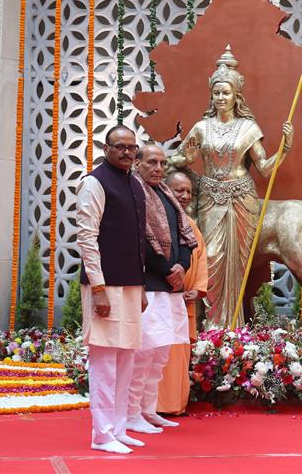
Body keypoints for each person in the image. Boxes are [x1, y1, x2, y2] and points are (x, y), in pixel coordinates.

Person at [169, 46, 293, 328]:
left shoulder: (249, 128)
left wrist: (284, 150)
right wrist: (161, 162)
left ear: (237, 95)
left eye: (226, 92)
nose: (221, 97)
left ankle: (234, 325)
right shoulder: (201, 128)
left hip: (241, 198)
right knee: (211, 257)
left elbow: (263, 168)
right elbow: (185, 157)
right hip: (210, 197)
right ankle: (211, 325)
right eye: (217, 93)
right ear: (211, 95)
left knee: (237, 263)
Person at [76, 125, 147, 454]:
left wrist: (142, 285)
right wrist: (98, 287)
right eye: (120, 146)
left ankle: (119, 427)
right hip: (104, 285)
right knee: (105, 361)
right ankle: (101, 433)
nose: (127, 152)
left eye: (132, 147)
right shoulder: (95, 182)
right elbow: (87, 238)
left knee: (126, 359)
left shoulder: (135, 183)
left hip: (131, 286)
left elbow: (137, 241)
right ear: (106, 148)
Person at [126, 145, 198, 435]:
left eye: (162, 163)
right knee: (144, 354)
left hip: (172, 289)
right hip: (151, 285)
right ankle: (131, 414)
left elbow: (185, 239)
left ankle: (148, 410)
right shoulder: (135, 193)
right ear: (138, 163)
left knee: (161, 355)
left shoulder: (168, 196)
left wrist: (181, 266)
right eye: (152, 162)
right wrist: (168, 271)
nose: (158, 168)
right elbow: (140, 241)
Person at [156, 171, 209, 415]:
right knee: (159, 351)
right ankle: (155, 405)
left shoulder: (192, 227)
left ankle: (176, 404)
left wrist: (197, 290)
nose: (185, 196)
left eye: (189, 191)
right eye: (179, 190)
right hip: (161, 297)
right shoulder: (157, 220)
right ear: (166, 190)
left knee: (179, 354)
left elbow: (201, 261)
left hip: (184, 301)